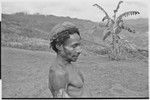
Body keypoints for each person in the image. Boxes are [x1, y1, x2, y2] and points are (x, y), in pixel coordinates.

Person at [49, 22, 92, 98]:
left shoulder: (69, 64)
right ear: (59, 46)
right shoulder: (59, 73)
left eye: (79, 45)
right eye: (74, 46)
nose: (79, 50)